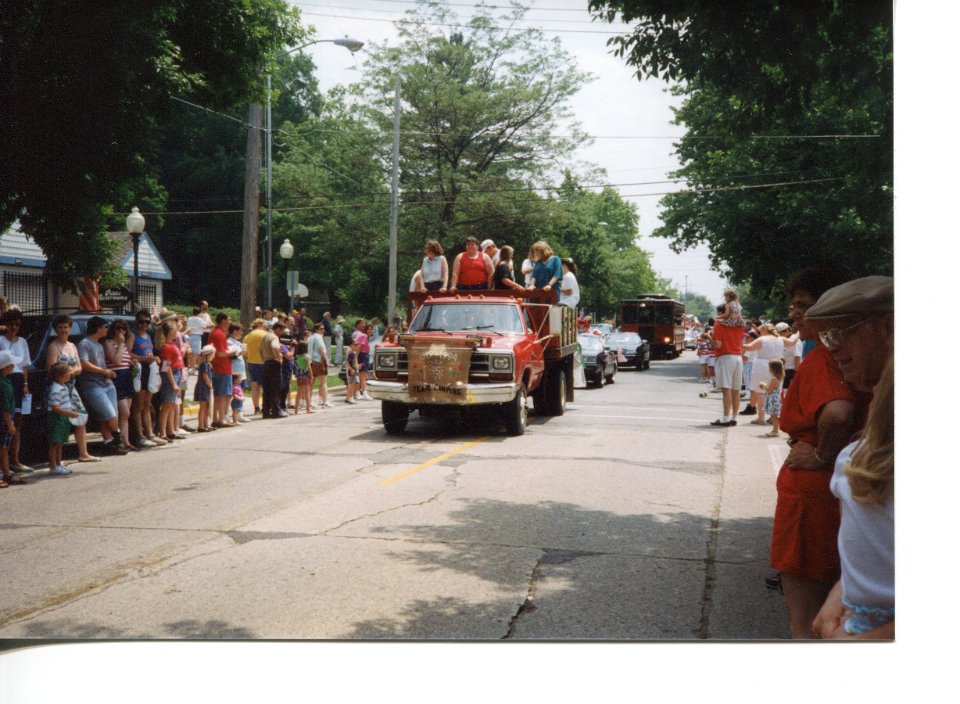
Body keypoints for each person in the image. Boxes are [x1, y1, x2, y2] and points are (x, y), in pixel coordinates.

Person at [769, 267, 871, 639]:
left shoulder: (824, 358)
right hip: (833, 491)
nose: (795, 312)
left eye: (804, 304)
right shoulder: (837, 356)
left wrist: (821, 456)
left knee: (806, 621)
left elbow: (838, 411)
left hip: (810, 497)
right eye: (794, 304)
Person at [791, 275, 895, 640]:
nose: (831, 348)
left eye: (842, 332)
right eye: (826, 336)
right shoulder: (879, 430)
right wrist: (843, 591)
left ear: (889, 326)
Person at [45, 314, 100, 460]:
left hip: (72, 387)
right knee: (61, 421)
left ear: (70, 328)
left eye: (66, 327)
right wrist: (71, 371)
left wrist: (71, 371)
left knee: (81, 417)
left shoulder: (72, 346)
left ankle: (83, 453)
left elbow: (79, 367)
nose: (63, 330)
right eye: (60, 327)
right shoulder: (53, 346)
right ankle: (56, 460)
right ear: (56, 330)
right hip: (59, 388)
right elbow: (51, 369)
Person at [77, 316, 128, 455]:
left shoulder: (99, 344)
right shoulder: (84, 344)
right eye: (105, 326)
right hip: (92, 385)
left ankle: (109, 443)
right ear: (97, 328)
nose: (107, 329)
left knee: (109, 416)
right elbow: (84, 363)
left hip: (107, 384)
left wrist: (107, 372)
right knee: (110, 415)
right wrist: (104, 371)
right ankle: (118, 439)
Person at [0, 310, 32, 471]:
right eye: (11, 324)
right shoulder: (0, 341)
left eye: (17, 324)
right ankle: (4, 463)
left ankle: (15, 459)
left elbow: (25, 365)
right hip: (6, 379)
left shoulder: (23, 342)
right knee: (6, 420)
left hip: (19, 380)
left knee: (17, 422)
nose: (14, 327)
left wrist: (25, 384)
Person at [128, 308, 165, 447]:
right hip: (139, 371)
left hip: (149, 371)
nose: (144, 324)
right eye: (141, 321)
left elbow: (151, 352)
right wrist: (144, 358)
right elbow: (128, 353)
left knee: (147, 405)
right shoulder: (132, 335)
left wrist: (155, 358)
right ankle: (140, 436)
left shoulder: (148, 336)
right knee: (138, 405)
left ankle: (150, 433)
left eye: (147, 322)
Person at [102, 319, 137, 452]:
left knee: (126, 415)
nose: (120, 331)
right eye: (118, 328)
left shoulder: (123, 345)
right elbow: (115, 361)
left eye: (123, 329)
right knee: (123, 411)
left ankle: (126, 441)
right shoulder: (109, 343)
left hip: (126, 376)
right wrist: (121, 344)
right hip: (117, 378)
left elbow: (124, 361)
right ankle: (118, 440)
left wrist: (131, 362)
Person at [708, 308, 744, 427]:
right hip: (738, 356)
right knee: (736, 390)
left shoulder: (718, 325)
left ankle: (725, 418)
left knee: (726, 389)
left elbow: (718, 344)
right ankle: (734, 417)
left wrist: (709, 337)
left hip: (725, 356)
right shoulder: (739, 324)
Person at [741, 323, 784, 423]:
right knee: (776, 391)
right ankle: (774, 417)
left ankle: (761, 417)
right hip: (777, 365)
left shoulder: (762, 339)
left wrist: (736, 343)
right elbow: (792, 342)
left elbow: (749, 347)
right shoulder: (781, 339)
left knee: (760, 392)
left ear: (764, 330)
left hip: (762, 366)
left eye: (760, 331)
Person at [46, 362, 81, 476]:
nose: (70, 374)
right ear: (61, 375)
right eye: (67, 372)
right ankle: (53, 466)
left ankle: (58, 464)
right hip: (57, 418)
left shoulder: (63, 386)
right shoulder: (56, 389)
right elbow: (55, 407)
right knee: (54, 443)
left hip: (63, 417)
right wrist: (69, 413)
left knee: (60, 442)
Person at [157, 320, 186, 442]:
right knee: (167, 404)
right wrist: (173, 383)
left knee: (172, 404)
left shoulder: (172, 344)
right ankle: (163, 433)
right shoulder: (167, 346)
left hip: (177, 372)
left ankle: (170, 431)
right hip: (172, 374)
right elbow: (166, 366)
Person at [0, 350, 24, 486]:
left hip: (6, 418)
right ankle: (6, 473)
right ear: (6, 367)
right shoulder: (4, 385)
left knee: (4, 448)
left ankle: (6, 472)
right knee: (3, 448)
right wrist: (10, 424)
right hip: (4, 420)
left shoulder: (6, 382)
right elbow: (5, 408)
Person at [209, 312, 237, 428]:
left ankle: (216, 418)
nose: (230, 322)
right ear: (223, 321)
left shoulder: (214, 333)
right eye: (229, 319)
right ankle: (221, 419)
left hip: (217, 367)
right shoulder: (219, 334)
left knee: (217, 395)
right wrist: (234, 351)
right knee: (223, 395)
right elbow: (220, 353)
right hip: (222, 367)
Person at [260, 323, 286, 419]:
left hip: (266, 363)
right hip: (274, 363)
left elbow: (260, 350)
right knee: (275, 388)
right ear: (278, 329)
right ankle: (276, 410)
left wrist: (264, 359)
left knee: (266, 389)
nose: (282, 333)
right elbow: (275, 347)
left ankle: (266, 411)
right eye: (282, 330)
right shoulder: (274, 337)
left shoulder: (265, 336)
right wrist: (278, 358)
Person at [243, 318, 268, 415]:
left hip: (251, 362)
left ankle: (256, 407)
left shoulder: (247, 336)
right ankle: (265, 406)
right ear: (261, 325)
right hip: (263, 362)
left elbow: (244, 352)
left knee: (255, 386)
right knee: (266, 386)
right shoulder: (264, 335)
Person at [759, 359, 785, 437]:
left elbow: (770, 390)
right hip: (775, 398)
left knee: (773, 416)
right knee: (774, 415)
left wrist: (763, 386)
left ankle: (775, 430)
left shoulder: (774, 379)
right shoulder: (779, 378)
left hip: (773, 398)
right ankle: (774, 430)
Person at [308, 322, 331, 409]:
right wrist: (326, 360)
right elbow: (321, 349)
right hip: (319, 361)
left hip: (311, 361)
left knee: (311, 383)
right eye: (321, 329)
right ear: (316, 329)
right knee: (323, 383)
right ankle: (325, 401)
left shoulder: (310, 337)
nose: (323, 330)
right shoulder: (319, 337)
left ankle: (309, 401)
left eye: (323, 329)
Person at [194, 345, 215, 431]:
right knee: (203, 407)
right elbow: (205, 375)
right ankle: (201, 426)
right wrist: (210, 385)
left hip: (205, 387)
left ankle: (205, 424)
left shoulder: (207, 364)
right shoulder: (204, 364)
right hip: (203, 387)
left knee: (206, 406)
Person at [353, 319, 373, 401]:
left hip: (363, 355)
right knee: (363, 377)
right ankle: (364, 393)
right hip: (363, 356)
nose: (371, 331)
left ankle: (358, 393)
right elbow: (359, 347)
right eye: (369, 329)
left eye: (371, 330)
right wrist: (356, 357)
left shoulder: (361, 336)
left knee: (360, 376)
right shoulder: (364, 336)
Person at [294, 340, 313, 414]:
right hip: (306, 374)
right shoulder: (307, 356)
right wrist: (311, 375)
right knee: (307, 392)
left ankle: (296, 409)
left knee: (299, 392)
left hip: (299, 375)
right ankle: (308, 408)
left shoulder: (297, 356)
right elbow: (309, 367)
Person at [344, 335, 360, 405]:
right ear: (351, 345)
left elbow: (353, 362)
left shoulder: (353, 352)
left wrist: (357, 367)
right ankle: (351, 398)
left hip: (353, 370)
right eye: (355, 344)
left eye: (357, 344)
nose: (356, 346)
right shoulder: (351, 353)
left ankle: (349, 398)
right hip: (351, 371)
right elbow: (347, 362)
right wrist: (351, 369)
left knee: (352, 384)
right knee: (351, 385)